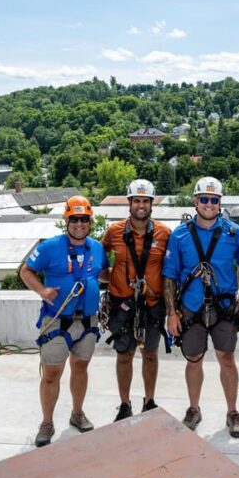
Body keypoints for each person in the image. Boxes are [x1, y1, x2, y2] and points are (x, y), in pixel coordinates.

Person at [163, 177, 239, 437]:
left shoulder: (233, 233)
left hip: (223, 307)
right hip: (191, 308)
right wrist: (171, 313)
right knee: (193, 359)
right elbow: (169, 274)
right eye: (204, 199)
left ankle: (232, 411)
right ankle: (194, 408)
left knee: (227, 359)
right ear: (195, 201)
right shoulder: (180, 235)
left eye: (214, 200)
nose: (209, 204)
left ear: (220, 202)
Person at [20, 195, 109, 447]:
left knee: (81, 368)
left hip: (88, 322)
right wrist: (42, 291)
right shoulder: (50, 247)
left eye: (84, 219)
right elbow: (26, 271)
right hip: (57, 322)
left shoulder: (97, 248)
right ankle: (47, 422)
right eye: (74, 219)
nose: (79, 224)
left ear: (90, 221)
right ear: (66, 220)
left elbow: (103, 274)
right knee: (51, 374)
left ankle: (77, 413)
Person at [101, 179, 172, 421]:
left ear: (151, 204)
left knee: (150, 353)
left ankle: (149, 400)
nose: (141, 206)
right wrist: (113, 281)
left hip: (152, 305)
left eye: (145, 201)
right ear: (129, 203)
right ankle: (124, 404)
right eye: (136, 201)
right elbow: (101, 262)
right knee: (124, 355)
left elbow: (170, 271)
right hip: (122, 304)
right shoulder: (114, 232)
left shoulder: (164, 234)